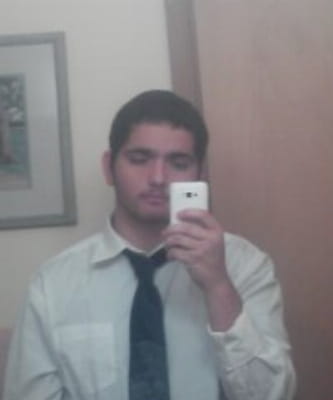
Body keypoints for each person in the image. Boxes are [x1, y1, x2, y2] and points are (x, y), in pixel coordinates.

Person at [3, 90, 296, 400]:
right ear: (109, 167)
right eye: (140, 159)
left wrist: (218, 286)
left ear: (200, 174)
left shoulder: (245, 266)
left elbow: (273, 395)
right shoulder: (53, 285)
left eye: (178, 163)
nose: (158, 178)